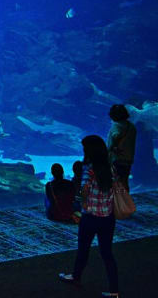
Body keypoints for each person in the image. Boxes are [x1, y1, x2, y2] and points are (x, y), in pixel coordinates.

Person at [59, 135, 119, 297]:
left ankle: (76, 276)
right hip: (107, 217)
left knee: (83, 249)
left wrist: (81, 203)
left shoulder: (89, 169)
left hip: (90, 217)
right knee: (107, 253)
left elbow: (84, 190)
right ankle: (114, 291)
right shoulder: (110, 168)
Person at [106, 104, 136, 191]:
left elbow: (116, 135)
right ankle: (125, 197)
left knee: (116, 181)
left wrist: (113, 147)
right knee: (124, 180)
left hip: (117, 158)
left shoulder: (117, 125)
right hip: (128, 157)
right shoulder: (132, 126)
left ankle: (118, 198)